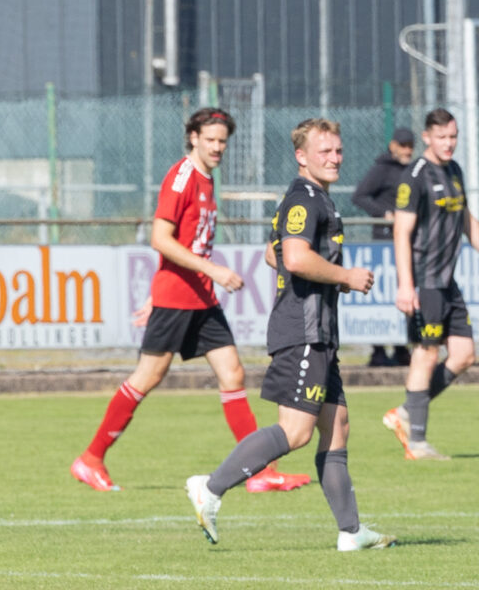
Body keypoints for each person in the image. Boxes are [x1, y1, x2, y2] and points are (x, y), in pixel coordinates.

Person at [71, 107, 309, 494]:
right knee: (147, 377)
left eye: (222, 142)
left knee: (232, 373)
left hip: (200, 297)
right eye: (210, 140)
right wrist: (208, 273)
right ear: (193, 138)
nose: (217, 147)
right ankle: (91, 458)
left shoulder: (206, 179)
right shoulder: (181, 177)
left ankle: (259, 472)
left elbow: (185, 242)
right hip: (179, 297)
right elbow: (160, 239)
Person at [185, 119, 393, 551]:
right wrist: (345, 276)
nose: (335, 158)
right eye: (324, 151)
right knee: (296, 432)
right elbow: (294, 259)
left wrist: (323, 276)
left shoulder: (316, 198)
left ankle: (351, 531)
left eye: (338, 150)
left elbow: (272, 253)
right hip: (303, 331)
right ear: (301, 156)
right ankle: (211, 487)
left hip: (320, 332)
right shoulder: (304, 199)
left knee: (337, 426)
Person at [382, 109, 479, 461]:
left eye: (453, 136)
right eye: (442, 137)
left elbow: (467, 220)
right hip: (424, 280)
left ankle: (406, 411)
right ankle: (417, 443)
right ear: (427, 137)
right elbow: (401, 231)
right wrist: (405, 284)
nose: (449, 143)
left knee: (465, 354)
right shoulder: (415, 176)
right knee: (426, 353)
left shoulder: (454, 170)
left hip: (447, 281)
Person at [352, 126, 416, 367]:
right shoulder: (381, 169)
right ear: (393, 146)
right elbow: (359, 196)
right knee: (381, 295)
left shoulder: (412, 170)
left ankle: (401, 348)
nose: (407, 150)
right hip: (384, 243)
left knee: (404, 293)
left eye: (410, 146)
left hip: (405, 242)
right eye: (403, 145)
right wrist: (384, 213)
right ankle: (378, 349)